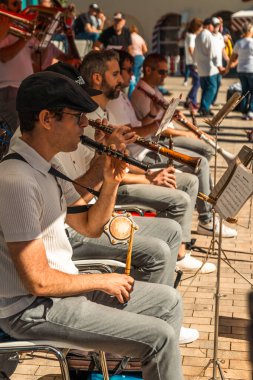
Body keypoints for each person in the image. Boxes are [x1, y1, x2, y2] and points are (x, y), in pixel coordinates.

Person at [0, 71, 184, 380]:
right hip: (32, 308)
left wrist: (111, 183)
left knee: (169, 301)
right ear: (47, 118)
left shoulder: (49, 168)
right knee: (160, 338)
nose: (85, 124)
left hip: (58, 292)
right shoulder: (17, 182)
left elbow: (89, 225)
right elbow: (37, 282)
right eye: (77, 117)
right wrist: (100, 281)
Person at [80, 50, 218, 276]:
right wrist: (147, 175)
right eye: (117, 74)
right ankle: (183, 249)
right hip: (105, 195)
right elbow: (105, 173)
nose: (124, 80)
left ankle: (183, 246)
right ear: (97, 78)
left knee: (184, 189)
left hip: (114, 184)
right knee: (180, 200)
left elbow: (120, 160)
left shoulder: (104, 112)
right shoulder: (89, 119)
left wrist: (149, 173)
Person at [131, 53, 237, 238]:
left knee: (203, 153)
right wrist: (185, 132)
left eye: (167, 72)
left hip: (154, 141)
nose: (165, 76)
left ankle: (204, 199)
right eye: (162, 72)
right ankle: (206, 218)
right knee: (200, 161)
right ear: (148, 70)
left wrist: (184, 122)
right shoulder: (141, 95)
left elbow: (160, 120)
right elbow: (151, 130)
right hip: (152, 144)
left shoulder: (153, 90)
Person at [0, 0, 35, 133]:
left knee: (23, 134)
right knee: (13, 135)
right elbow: (4, 56)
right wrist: (26, 38)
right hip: (7, 89)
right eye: (15, 3)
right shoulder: (4, 26)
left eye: (21, 3)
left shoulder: (19, 29)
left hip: (24, 87)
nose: (20, 8)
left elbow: (37, 55)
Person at [194, 18, 225, 116]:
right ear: (208, 25)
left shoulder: (198, 36)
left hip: (202, 68)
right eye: (213, 25)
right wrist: (219, 66)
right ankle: (205, 108)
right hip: (210, 68)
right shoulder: (208, 36)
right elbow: (214, 52)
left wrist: (196, 64)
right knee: (212, 88)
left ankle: (203, 108)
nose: (214, 27)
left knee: (205, 89)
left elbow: (195, 53)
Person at [225, 22, 253, 120]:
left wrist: (228, 66)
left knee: (245, 91)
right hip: (251, 69)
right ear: (249, 31)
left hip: (241, 70)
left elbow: (233, 56)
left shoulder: (239, 43)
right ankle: (251, 111)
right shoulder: (252, 42)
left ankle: (244, 111)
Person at [184, 18, 203, 112]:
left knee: (196, 81)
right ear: (197, 27)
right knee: (197, 82)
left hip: (191, 62)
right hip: (193, 63)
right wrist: (196, 62)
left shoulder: (189, 35)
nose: (201, 29)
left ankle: (193, 102)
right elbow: (191, 49)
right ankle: (190, 98)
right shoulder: (191, 37)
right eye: (200, 27)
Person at [211, 17, 229, 106]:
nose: (216, 27)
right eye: (215, 25)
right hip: (210, 66)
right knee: (212, 86)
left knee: (217, 84)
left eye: (218, 25)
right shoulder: (208, 36)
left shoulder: (220, 36)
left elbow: (222, 50)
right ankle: (206, 104)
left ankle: (212, 101)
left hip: (219, 64)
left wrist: (228, 59)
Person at [128, 24, 148, 98]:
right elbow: (145, 49)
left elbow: (128, 48)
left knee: (133, 77)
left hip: (133, 57)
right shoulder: (140, 37)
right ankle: (139, 94)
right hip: (140, 58)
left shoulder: (129, 37)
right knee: (138, 76)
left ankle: (133, 95)